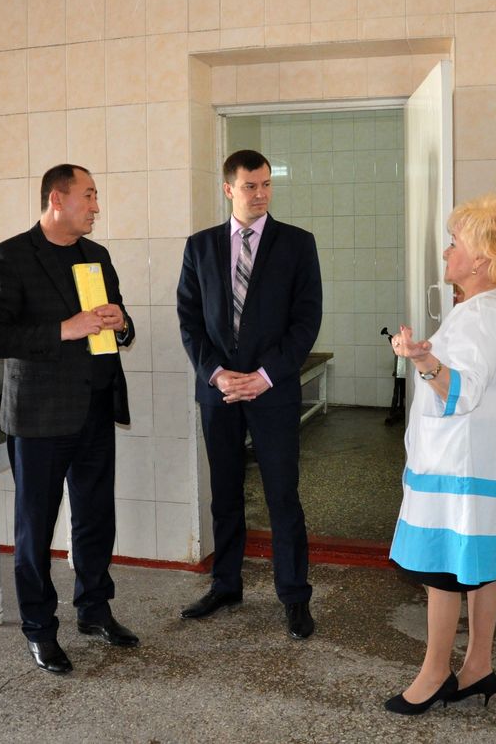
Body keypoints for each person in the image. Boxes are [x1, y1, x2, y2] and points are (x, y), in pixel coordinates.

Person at [0, 163, 139, 674]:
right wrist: (63, 329)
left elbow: (119, 322)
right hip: (40, 417)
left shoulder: (97, 256)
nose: (96, 206)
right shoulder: (9, 257)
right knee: (35, 528)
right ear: (57, 199)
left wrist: (122, 323)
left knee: (95, 518)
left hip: (96, 408)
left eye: (95, 197)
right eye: (88, 196)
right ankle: (39, 630)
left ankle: (94, 610)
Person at [384, 194, 496, 715]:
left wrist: (422, 362)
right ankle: (478, 666)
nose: (446, 252)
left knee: (442, 574)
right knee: (480, 571)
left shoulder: (480, 315)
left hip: (458, 473)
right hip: (484, 466)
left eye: (454, 243)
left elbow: (461, 391)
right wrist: (430, 358)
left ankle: (434, 674)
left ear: (481, 260)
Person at [176, 149, 323, 640]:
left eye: (266, 185)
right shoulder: (200, 247)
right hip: (219, 392)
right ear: (228, 190)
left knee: (282, 494)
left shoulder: (297, 244)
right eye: (250, 186)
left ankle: (294, 595)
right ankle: (226, 584)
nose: (260, 194)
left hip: (272, 390)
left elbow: (306, 321)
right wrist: (216, 373)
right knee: (225, 492)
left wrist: (265, 375)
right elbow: (189, 319)